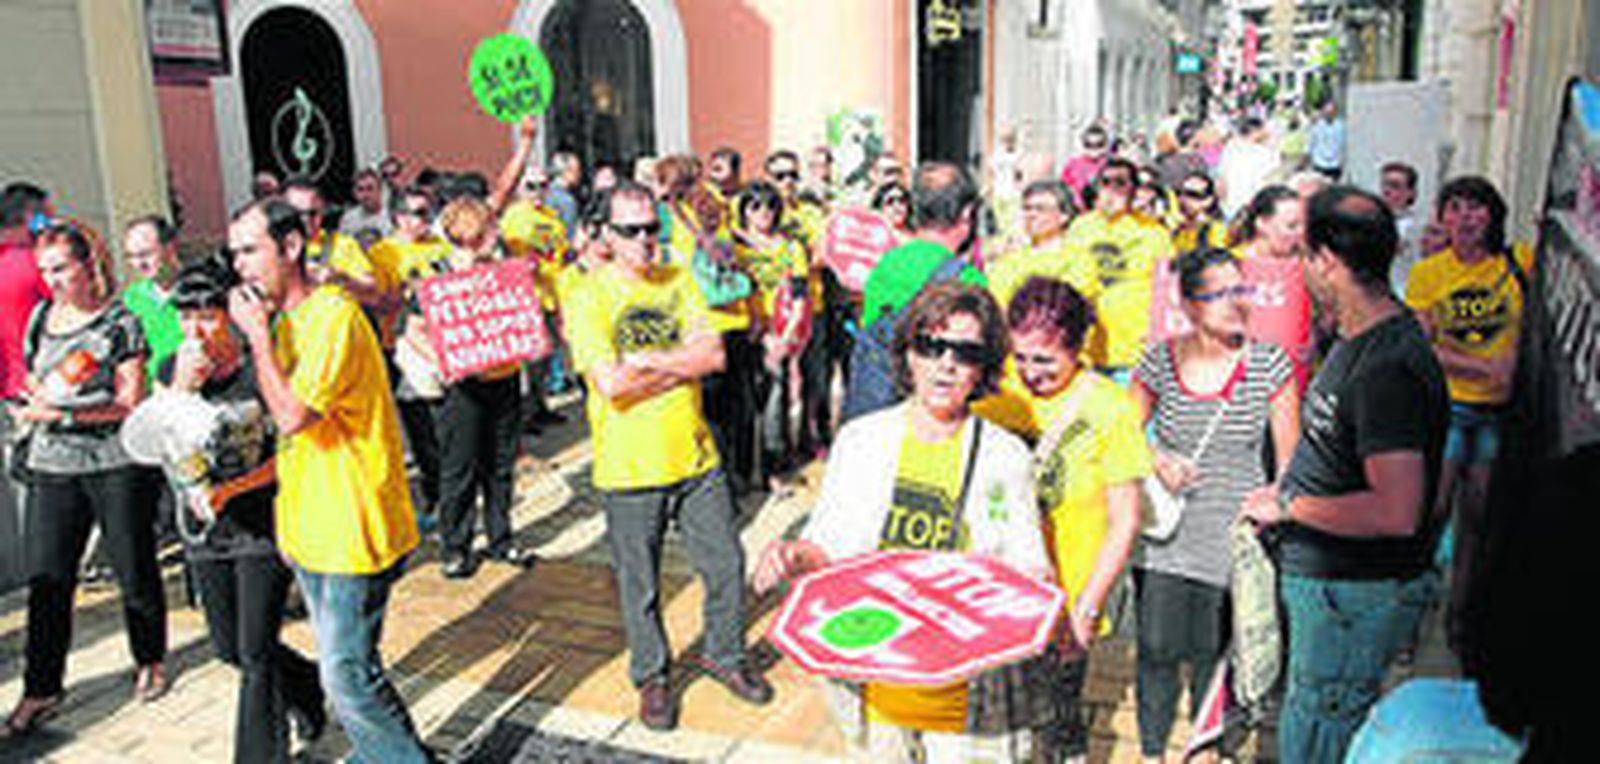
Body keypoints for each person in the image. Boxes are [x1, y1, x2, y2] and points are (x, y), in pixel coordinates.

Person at [754, 281, 1051, 762]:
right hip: (878, 685)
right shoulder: (861, 440)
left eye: (966, 352)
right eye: (931, 346)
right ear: (908, 354)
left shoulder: (1005, 455)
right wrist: (792, 555)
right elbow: (828, 543)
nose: (946, 363)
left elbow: (1029, 566)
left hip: (966, 693)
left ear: (984, 369)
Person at [1238, 186, 1450, 763]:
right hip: (1334, 595)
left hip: (1353, 596)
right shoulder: (1357, 337)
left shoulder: (1387, 369)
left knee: (1322, 735)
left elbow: (1397, 510)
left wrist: (1290, 506)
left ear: (1327, 262)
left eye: (1304, 254)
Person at [225, 198, 428, 762]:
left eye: (250, 250)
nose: (239, 265)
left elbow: (293, 416)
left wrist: (258, 340)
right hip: (313, 524)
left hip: (353, 526)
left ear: (291, 248)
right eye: (234, 251)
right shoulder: (288, 319)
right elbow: (291, 443)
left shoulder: (333, 316)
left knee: (347, 680)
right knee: (352, 671)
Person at [565, 181, 770, 731]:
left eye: (651, 226)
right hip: (629, 468)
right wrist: (679, 360)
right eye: (630, 230)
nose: (644, 239)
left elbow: (716, 355)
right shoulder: (588, 295)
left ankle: (724, 655)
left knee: (726, 563)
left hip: (695, 457)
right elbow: (611, 383)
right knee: (641, 583)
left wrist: (647, 361)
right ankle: (652, 676)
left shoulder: (680, 277)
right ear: (606, 235)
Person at [1129, 248, 1300, 761]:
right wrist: (1156, 457)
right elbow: (1122, 434)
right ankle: (1153, 749)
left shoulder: (1269, 364)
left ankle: (1205, 748)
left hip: (1233, 531)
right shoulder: (1160, 359)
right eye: (1219, 293)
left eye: (1239, 290)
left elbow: (1290, 459)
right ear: (1189, 303)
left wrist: (1274, 502)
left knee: (1211, 649)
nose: (1235, 303)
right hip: (1167, 528)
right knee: (1157, 647)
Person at [971, 276, 1149, 762]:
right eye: (1020, 356)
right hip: (995, 589)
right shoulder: (995, 389)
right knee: (991, 719)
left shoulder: (1108, 408)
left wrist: (1087, 608)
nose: (1028, 372)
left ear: (1078, 346)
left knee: (1057, 716)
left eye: (1044, 359)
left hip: (1066, 601)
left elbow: (1125, 519)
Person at [160, 255, 328, 762]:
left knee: (255, 653)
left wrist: (232, 490)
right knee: (229, 649)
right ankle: (306, 684)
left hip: (261, 523)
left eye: (207, 315)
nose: (195, 328)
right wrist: (183, 388)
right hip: (206, 530)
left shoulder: (265, 363)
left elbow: (289, 453)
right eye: (185, 317)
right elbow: (160, 441)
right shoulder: (172, 367)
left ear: (230, 315)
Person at [4, 222, 166, 738]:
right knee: (48, 578)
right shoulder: (40, 317)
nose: (52, 280)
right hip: (52, 466)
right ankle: (41, 687)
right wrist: (33, 400)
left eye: (61, 269)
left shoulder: (121, 321)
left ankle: (150, 659)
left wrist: (65, 415)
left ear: (86, 264)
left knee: (133, 566)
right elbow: (34, 374)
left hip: (114, 464)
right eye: (45, 270)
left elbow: (129, 403)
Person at [1402, 176, 1532, 649]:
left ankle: (1461, 622)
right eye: (1454, 207)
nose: (1465, 217)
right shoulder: (1428, 274)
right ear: (1441, 217)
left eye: (1475, 207)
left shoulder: (1519, 263)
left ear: (1493, 214)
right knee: (1432, 513)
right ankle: (1409, 624)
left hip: (1500, 414)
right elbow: (1424, 344)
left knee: (1480, 520)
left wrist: (1510, 366)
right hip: (1449, 409)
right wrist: (1485, 366)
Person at [426, 197, 535, 578]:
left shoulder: (504, 269)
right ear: (470, 233)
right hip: (462, 388)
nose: (497, 233)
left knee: (501, 466)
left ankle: (500, 539)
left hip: (503, 376)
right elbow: (416, 326)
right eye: (490, 228)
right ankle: (454, 547)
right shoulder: (437, 271)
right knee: (459, 469)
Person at [844, 162, 987, 422]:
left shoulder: (886, 263)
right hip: (928, 419)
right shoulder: (968, 280)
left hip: (875, 409)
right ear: (967, 215)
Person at [1062, 158, 1175, 383]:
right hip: (1088, 350)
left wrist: (1160, 336)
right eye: (1106, 182)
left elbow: (1167, 289)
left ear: (1133, 189)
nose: (1112, 190)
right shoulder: (1081, 227)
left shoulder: (1154, 233)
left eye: (1120, 183)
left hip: (1134, 351)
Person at [732, 181, 809, 485]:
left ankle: (774, 470)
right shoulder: (736, 248)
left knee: (776, 404)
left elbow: (802, 297)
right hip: (744, 331)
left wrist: (784, 338)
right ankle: (742, 472)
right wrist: (756, 328)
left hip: (780, 334)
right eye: (755, 206)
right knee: (743, 407)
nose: (763, 212)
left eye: (769, 205)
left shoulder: (792, 248)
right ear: (744, 211)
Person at [1232, 185, 1315, 390]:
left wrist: (1312, 339)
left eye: (1303, 226)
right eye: (1291, 226)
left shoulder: (1305, 268)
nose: (1300, 234)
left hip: (1292, 388)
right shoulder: (1229, 266)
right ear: (1262, 224)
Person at [986, 180, 1094, 310]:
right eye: (1027, 208)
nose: (1031, 215)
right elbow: (997, 302)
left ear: (1064, 216)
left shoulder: (1079, 260)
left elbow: (1071, 304)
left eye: (1040, 209)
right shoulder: (1010, 261)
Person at [121, 215, 185, 382]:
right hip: (152, 398)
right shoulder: (131, 299)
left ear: (170, 248)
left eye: (145, 254)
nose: (139, 263)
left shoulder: (197, 290)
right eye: (131, 256)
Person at [1216, 117, 1277, 220]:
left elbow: (1221, 180)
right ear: (1256, 131)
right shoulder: (1263, 153)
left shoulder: (1230, 147)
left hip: (1229, 206)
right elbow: (1272, 176)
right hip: (1250, 206)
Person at [1380, 161, 1423, 296]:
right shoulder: (1374, 221)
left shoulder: (1417, 227)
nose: (1387, 191)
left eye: (1395, 186)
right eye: (1384, 185)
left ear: (1411, 193)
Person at [1170, 171, 1228, 254]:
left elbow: (1221, 260)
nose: (1184, 199)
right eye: (1180, 193)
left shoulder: (1214, 231)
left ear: (1209, 200)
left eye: (1193, 195)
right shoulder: (1178, 230)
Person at [1061, 124, 1111, 207]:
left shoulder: (1112, 164)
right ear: (1083, 144)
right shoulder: (1072, 165)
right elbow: (1065, 188)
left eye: (1099, 144)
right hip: (1078, 211)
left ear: (1106, 145)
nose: (1094, 149)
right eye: (1089, 144)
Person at [338, 168, 393, 244]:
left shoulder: (393, 218)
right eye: (360, 189)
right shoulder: (348, 219)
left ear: (380, 191)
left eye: (370, 188)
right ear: (355, 193)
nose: (365, 195)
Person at [1308, 100, 1346, 181]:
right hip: (1319, 163)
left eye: (1331, 112)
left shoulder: (1340, 126)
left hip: (1334, 165)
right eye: (1327, 112)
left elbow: (1342, 145)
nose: (1329, 114)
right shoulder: (1317, 125)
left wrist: (1342, 162)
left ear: (1335, 113)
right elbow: (1311, 143)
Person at [547, 150, 584, 233]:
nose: (579, 174)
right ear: (566, 172)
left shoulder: (544, 193)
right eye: (577, 170)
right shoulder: (567, 201)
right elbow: (569, 236)